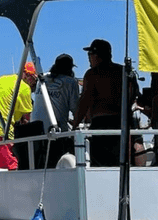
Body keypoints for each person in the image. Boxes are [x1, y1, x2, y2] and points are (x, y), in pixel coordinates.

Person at [72, 38, 140, 167]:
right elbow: (133, 96)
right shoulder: (124, 72)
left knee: (101, 167)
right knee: (124, 164)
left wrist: (75, 125)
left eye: (89, 54)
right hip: (123, 124)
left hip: (101, 125)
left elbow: (85, 101)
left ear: (96, 56)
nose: (88, 58)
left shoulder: (93, 74)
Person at [0, 63, 38, 170]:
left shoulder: (1, 79)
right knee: (11, 163)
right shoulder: (24, 87)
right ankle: (15, 180)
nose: (34, 83)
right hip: (2, 129)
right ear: (26, 75)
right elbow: (28, 116)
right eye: (33, 79)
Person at [32, 53, 81, 167]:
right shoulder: (71, 82)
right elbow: (76, 109)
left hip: (35, 130)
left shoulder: (42, 79)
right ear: (70, 68)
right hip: (55, 131)